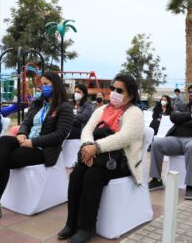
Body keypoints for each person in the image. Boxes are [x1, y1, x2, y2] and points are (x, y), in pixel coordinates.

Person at [0, 71, 74, 223]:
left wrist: (34, 142)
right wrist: (22, 132)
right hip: (26, 142)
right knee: (4, 141)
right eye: (42, 84)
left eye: (47, 84)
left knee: (4, 160)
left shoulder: (64, 108)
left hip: (43, 150)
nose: (43, 87)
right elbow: (27, 122)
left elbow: (60, 134)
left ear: (56, 85)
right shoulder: (38, 103)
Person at [57, 74, 144, 242]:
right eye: (112, 89)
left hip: (121, 161)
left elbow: (124, 138)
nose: (114, 93)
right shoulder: (101, 110)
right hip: (98, 157)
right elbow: (87, 130)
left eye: (120, 90)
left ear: (131, 95)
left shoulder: (135, 113)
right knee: (76, 174)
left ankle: (87, 228)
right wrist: (88, 148)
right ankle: (72, 223)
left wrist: (95, 148)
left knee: (92, 176)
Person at [148, 84, 192, 200]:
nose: (190, 94)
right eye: (189, 92)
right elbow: (174, 117)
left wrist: (183, 120)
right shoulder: (182, 106)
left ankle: (190, 185)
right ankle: (156, 179)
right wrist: (191, 116)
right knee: (157, 144)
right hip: (176, 139)